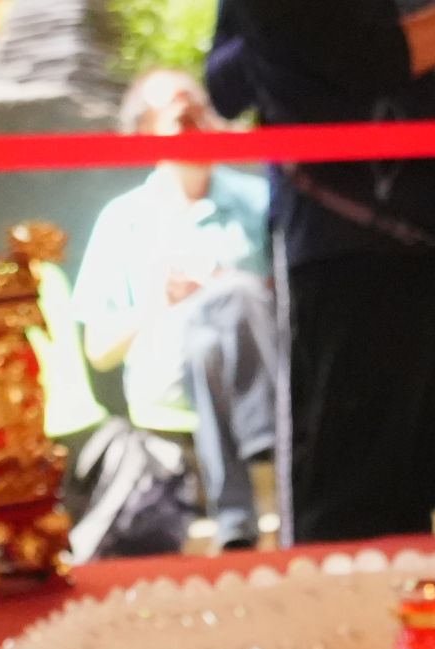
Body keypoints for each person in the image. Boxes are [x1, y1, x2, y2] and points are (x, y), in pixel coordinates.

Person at [208, 0, 435, 543]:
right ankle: (344, 600)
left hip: (433, 234)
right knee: (347, 494)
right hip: (343, 247)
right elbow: (365, 58)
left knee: (422, 476)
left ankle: (407, 596)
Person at [72, 70, 282, 549]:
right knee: (204, 338)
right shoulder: (122, 222)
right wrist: (159, 302)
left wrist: (240, 290)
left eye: (205, 114)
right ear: (145, 131)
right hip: (169, 385)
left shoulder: (260, 202)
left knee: (227, 309)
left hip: (258, 371)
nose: (199, 127)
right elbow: (100, 352)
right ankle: (264, 439)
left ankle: (236, 521)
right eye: (182, 118)